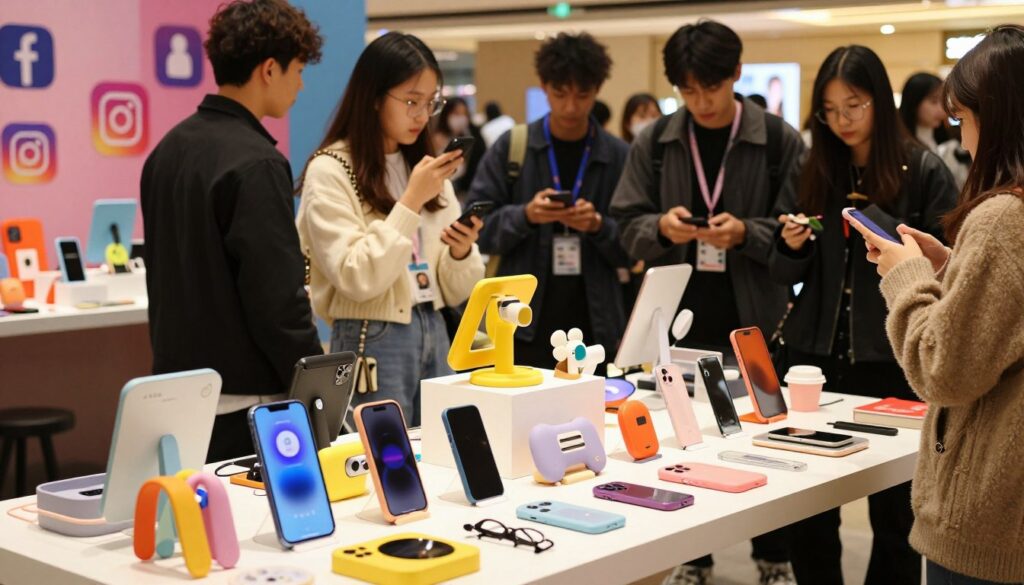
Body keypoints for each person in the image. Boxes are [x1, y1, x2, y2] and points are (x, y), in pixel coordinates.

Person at [610, 19, 803, 585]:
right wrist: (662, 229)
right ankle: (692, 558)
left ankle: (774, 557)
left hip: (756, 323)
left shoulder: (778, 140)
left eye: (711, 88)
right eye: (688, 91)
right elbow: (624, 225)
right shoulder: (657, 141)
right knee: (682, 446)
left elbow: (799, 234)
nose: (701, 102)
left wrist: (747, 233)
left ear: (736, 75)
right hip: (677, 330)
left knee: (765, 440)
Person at [769, 45, 958, 585]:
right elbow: (782, 273)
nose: (841, 120)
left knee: (896, 516)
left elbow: (948, 269)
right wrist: (790, 245)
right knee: (809, 506)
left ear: (880, 100)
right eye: (829, 109)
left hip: (891, 359)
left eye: (853, 104)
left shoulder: (921, 168)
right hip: (813, 361)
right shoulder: (816, 166)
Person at [849, 25, 1024, 585]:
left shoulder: (1002, 218)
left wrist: (907, 279)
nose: (964, 139)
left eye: (963, 119)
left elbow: (943, 368)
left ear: (994, 118)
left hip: (990, 520)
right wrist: (953, 270)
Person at [140, 0, 324, 463]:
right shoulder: (257, 163)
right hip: (245, 402)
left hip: (176, 392)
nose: (301, 85)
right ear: (268, 70)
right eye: (297, 70)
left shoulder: (167, 150)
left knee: (194, 529)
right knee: (249, 532)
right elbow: (278, 298)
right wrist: (316, 385)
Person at [295, 32, 484, 427]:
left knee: (441, 452)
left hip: (433, 326)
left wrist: (462, 252)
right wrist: (410, 201)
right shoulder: (331, 169)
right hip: (371, 337)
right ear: (375, 97)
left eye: (430, 102)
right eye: (411, 101)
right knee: (381, 463)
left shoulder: (428, 169)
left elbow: (454, 289)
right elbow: (356, 276)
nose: (421, 115)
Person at [466, 32, 629, 375]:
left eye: (582, 95)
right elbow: (477, 229)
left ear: (597, 89)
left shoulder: (617, 155)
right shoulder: (514, 147)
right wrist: (526, 215)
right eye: (560, 94)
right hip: (522, 324)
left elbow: (633, 245)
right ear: (543, 86)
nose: (571, 106)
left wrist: (598, 226)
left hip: (596, 325)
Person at [432, 97, 486, 198]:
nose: (461, 118)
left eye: (464, 114)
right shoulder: (436, 139)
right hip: (440, 189)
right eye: (456, 113)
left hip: (465, 190)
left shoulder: (473, 135)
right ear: (447, 114)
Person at [898, 72, 950, 153]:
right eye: (934, 101)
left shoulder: (946, 140)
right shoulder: (902, 144)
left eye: (943, 101)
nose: (942, 109)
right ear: (914, 102)